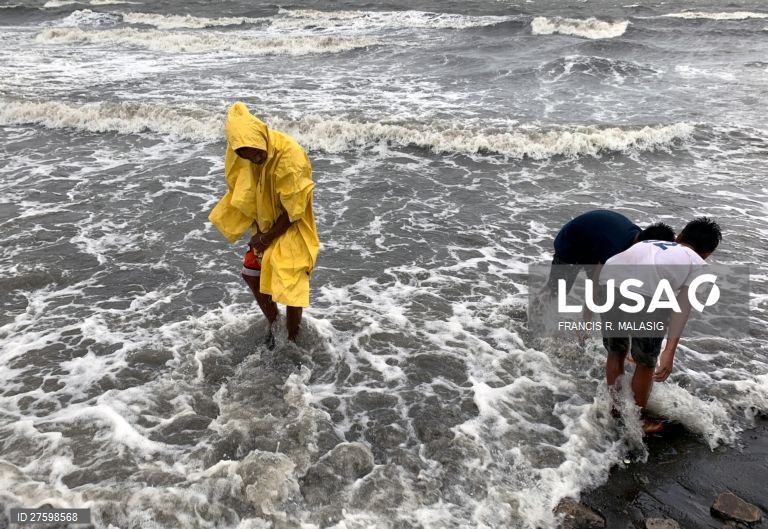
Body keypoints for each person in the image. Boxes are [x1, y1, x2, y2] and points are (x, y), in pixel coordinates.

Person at [209, 102, 320, 345]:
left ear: (261, 137)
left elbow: (294, 212)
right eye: (247, 155)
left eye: (258, 153)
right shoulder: (245, 151)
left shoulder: (290, 158)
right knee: (251, 274)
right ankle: (275, 323)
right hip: (265, 221)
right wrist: (260, 230)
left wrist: (266, 238)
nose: (255, 159)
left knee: (291, 285)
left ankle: (292, 339)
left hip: (290, 224)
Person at [598, 217, 721, 432]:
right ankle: (636, 422)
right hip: (645, 293)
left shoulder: (648, 243)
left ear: (679, 236)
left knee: (616, 351)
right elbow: (682, 305)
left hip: (608, 281)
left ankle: (615, 410)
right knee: (646, 363)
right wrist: (669, 351)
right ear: (707, 253)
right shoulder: (698, 263)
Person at [544, 210, 676, 297]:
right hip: (571, 242)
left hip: (594, 244)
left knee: (603, 293)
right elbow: (595, 287)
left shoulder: (641, 238)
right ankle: (532, 314)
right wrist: (585, 324)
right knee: (556, 292)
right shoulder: (616, 248)